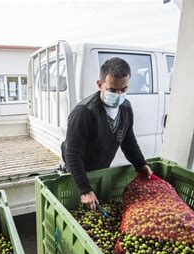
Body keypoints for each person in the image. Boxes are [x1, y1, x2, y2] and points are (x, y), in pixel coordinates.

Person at [61, 57, 153, 209]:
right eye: (112, 90)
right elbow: (72, 154)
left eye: (123, 89)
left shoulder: (126, 108)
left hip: (101, 170)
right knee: (78, 208)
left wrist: (140, 164)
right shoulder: (84, 112)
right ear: (100, 85)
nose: (118, 95)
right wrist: (84, 189)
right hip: (77, 173)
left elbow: (128, 140)